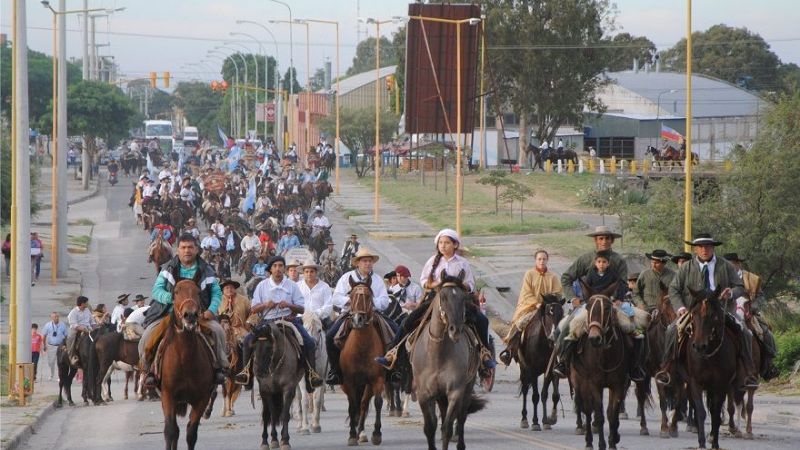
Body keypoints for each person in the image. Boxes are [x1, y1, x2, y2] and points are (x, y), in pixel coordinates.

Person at [374, 229, 496, 375]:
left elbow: (470, 284)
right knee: (408, 321)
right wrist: (435, 284)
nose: (443, 246)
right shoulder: (432, 261)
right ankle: (393, 353)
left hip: (458, 300)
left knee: (482, 320)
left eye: (447, 243)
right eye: (441, 243)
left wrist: (456, 284)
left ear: (455, 245)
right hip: (435, 299)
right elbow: (424, 280)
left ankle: (484, 354)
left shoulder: (463, 263)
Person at [655, 233, 759, 389]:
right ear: (696, 249)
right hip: (694, 310)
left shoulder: (725, 265)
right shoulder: (686, 267)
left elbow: (739, 286)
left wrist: (730, 293)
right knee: (671, 330)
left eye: (708, 246)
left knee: (745, 331)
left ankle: (748, 371)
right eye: (701, 246)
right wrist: (680, 307)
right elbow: (674, 289)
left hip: (721, 309)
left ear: (713, 248)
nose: (704, 250)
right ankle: (667, 368)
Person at [139, 233, 228, 387]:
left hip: (198, 314)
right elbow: (157, 290)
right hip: (168, 313)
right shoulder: (167, 269)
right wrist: (171, 299)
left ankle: (220, 367)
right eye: (183, 247)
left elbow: (216, 293)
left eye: (190, 247)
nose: (187, 251)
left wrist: (211, 310)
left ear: (196, 250)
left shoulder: (207, 270)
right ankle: (148, 370)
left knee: (218, 331)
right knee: (147, 335)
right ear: (178, 250)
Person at [234, 256, 323, 392]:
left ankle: (311, 376)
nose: (278, 269)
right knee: (247, 341)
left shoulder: (292, 285)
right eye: (275, 266)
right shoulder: (262, 285)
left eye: (281, 266)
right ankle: (247, 374)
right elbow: (254, 308)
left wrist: (288, 305)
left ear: (284, 268)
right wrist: (265, 305)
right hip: (267, 322)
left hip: (289, 321)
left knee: (309, 342)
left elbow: (301, 308)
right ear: (270, 269)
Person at [554, 250, 643, 380]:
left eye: (604, 262)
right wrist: (577, 299)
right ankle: (563, 361)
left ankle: (635, 365)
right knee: (570, 325)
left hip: (610, 303)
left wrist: (618, 298)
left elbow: (622, 284)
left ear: (608, 264)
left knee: (634, 322)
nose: (601, 264)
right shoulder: (590, 273)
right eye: (599, 262)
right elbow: (585, 288)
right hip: (592, 303)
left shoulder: (614, 272)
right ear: (595, 263)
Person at [325, 247, 395, 384]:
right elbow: (336, 297)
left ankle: (393, 371)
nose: (368, 264)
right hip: (350, 313)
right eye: (364, 261)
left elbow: (385, 301)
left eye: (370, 261)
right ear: (357, 263)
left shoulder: (377, 279)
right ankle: (335, 371)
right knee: (329, 336)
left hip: (373, 314)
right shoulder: (346, 278)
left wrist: (369, 302)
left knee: (396, 332)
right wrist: (351, 301)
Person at [499, 249, 562, 366]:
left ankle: (561, 357)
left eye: (544, 259)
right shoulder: (529, 274)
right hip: (530, 307)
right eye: (539, 259)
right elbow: (526, 292)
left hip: (548, 309)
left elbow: (557, 293)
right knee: (520, 324)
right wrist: (536, 303)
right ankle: (510, 350)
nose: (542, 261)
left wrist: (548, 303)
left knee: (560, 325)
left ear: (547, 260)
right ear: (535, 260)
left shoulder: (553, 277)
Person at [724, 252, 779, 380]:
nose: (730, 267)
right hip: (726, 310)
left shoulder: (751, 278)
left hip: (748, 311)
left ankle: (768, 365)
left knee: (765, 333)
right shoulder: (721, 277)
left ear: (738, 263)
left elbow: (760, 296)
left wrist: (753, 307)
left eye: (732, 264)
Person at [297, 260, 334, 328]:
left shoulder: (324, 286)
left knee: (331, 335)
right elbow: (294, 304)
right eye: (306, 272)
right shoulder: (297, 286)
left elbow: (328, 305)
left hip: (321, 319)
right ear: (303, 273)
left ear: (316, 272)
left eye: (311, 271)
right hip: (301, 319)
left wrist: (316, 314)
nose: (309, 274)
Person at [66, 296, 94, 367]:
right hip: (77, 330)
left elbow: (92, 321)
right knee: (71, 338)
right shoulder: (73, 312)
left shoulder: (87, 310)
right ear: (82, 304)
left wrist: (96, 326)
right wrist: (83, 329)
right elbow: (73, 325)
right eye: (86, 302)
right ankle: (72, 357)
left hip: (89, 329)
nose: (88, 304)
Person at [41, 312, 68, 381]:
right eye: (54, 317)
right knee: (51, 362)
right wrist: (44, 345)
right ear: (51, 318)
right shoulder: (48, 325)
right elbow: (44, 336)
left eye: (57, 316)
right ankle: (51, 374)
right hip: (51, 346)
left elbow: (66, 336)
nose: (56, 318)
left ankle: (60, 376)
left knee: (60, 361)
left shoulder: (62, 325)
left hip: (60, 345)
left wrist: (65, 345)